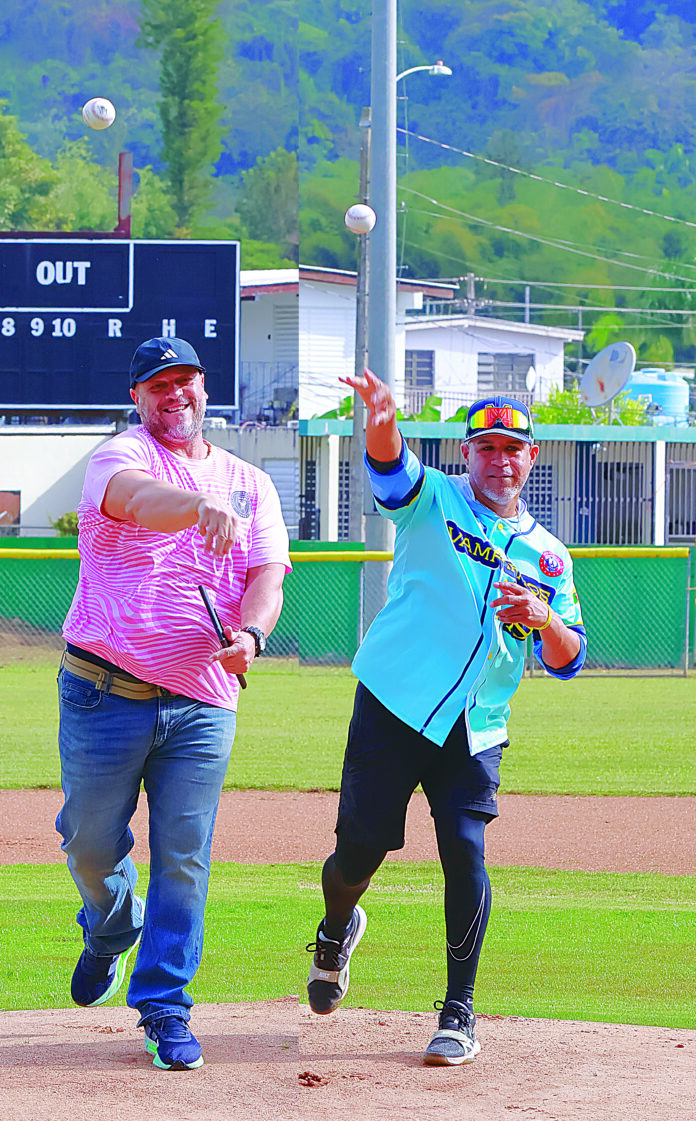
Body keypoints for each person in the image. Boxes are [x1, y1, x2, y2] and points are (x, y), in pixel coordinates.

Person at [306, 370, 586, 1066]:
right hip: (394, 704)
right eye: (486, 447)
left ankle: (458, 1010)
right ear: (468, 454)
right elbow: (389, 467)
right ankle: (339, 924)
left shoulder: (549, 555)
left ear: (532, 457)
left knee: (465, 851)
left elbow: (570, 655)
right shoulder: (433, 499)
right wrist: (379, 418)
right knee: (358, 853)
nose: (500, 459)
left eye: (513, 447)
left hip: (476, 724)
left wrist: (547, 618)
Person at [57, 336, 290, 1071]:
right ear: (138, 396)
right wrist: (196, 506)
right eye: (159, 384)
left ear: (203, 387)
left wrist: (251, 634)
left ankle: (165, 1006)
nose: (175, 393)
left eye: (186, 380)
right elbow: (136, 502)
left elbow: (266, 576)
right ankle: (109, 923)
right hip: (103, 689)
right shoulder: (117, 457)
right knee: (90, 844)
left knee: (184, 859)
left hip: (203, 701)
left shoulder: (252, 481)